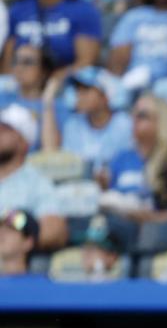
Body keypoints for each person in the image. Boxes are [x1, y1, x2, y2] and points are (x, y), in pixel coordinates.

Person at [101, 94, 167, 223]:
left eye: (142, 115)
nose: (134, 119)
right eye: (132, 114)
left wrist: (152, 220)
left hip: (162, 236)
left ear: (162, 121)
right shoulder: (122, 157)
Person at [0, 104, 67, 250]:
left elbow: (54, 232)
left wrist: (15, 222)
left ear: (24, 142)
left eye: (5, 130)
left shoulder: (36, 182)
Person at [42, 66, 132, 172]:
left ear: (105, 96)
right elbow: (51, 154)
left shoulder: (125, 124)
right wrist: (47, 101)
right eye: (77, 89)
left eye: (86, 89)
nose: (79, 95)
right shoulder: (73, 125)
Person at [0, 44, 67, 152]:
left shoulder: (58, 106)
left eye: (28, 62)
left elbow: (50, 150)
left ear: (44, 71)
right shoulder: (3, 96)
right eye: (15, 61)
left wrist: (47, 101)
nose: (19, 67)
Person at [78, 215, 127, 281]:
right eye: (85, 247)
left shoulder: (121, 284)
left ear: (112, 256)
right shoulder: (71, 281)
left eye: (93, 248)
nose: (86, 252)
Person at [0, 209, 40, 277]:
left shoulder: (41, 285)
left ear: (28, 242)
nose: (1, 233)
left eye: (10, 229)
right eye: (1, 227)